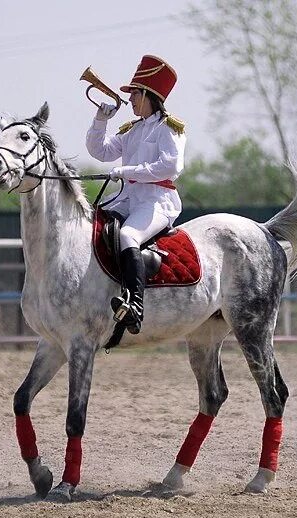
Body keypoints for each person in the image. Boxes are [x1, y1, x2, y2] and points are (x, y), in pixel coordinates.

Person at [86, 54, 186, 335]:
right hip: (129, 199)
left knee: (128, 235)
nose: (129, 99)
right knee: (93, 226)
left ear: (147, 95)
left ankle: (135, 305)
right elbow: (101, 151)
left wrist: (128, 171)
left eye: (133, 94)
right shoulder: (133, 130)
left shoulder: (169, 128)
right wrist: (100, 120)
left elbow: (171, 166)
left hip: (157, 201)